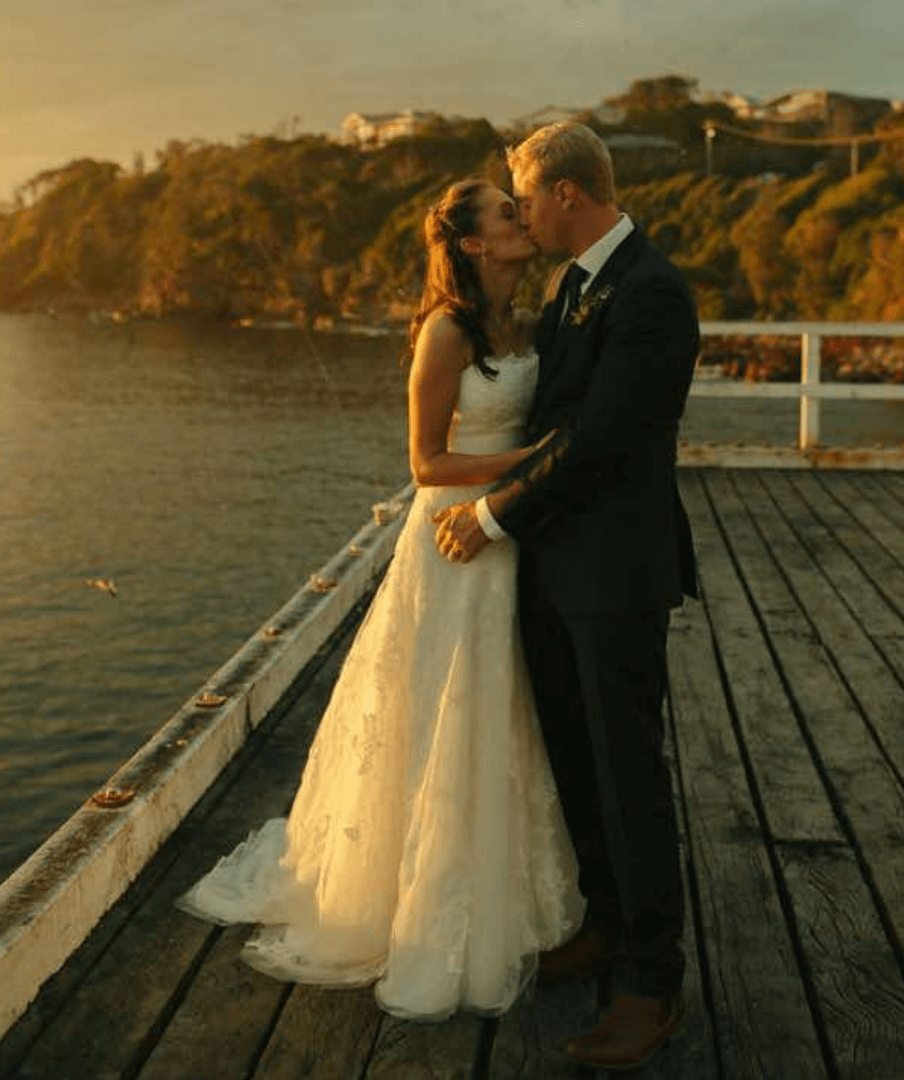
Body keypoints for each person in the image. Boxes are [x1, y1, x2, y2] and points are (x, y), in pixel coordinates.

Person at [176, 177, 585, 1021]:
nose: (520, 219)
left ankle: (500, 880)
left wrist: (531, 475)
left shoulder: (523, 319)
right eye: (506, 213)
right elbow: (426, 463)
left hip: (509, 533)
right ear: (473, 244)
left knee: (501, 708)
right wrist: (536, 461)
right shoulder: (445, 332)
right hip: (453, 539)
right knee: (441, 706)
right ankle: (416, 898)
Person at [433, 122, 700, 1071]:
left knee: (629, 772)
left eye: (526, 197)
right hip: (555, 569)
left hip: (614, 573)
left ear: (569, 196)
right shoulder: (571, 284)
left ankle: (651, 981)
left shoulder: (653, 293)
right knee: (576, 760)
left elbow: (603, 440)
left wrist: (495, 516)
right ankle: (603, 923)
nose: (523, 213)